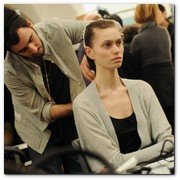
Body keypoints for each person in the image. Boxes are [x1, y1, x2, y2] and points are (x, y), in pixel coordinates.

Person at [72, 19, 174, 173]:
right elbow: (111, 162)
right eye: (107, 45)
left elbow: (169, 141)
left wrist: (129, 159)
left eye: (118, 43)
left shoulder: (142, 88)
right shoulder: (84, 104)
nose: (116, 50)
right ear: (89, 52)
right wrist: (158, 150)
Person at [4, 7, 88, 174]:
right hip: (38, 130)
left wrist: (87, 54)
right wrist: (80, 105)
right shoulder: (10, 72)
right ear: (11, 52)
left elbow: (99, 29)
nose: (33, 49)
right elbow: (44, 112)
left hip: (72, 122)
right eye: (23, 50)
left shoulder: (55, 29)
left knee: (80, 171)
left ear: (30, 24)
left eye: (30, 39)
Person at [130, 4, 174, 133]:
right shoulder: (164, 31)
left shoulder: (138, 39)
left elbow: (135, 66)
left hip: (153, 82)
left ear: (138, 15)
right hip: (170, 76)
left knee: (163, 119)